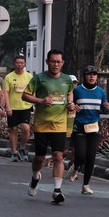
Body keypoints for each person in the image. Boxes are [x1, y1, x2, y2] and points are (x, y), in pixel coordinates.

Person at [23, 49, 74, 204]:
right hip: (42, 125)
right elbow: (25, 95)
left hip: (60, 124)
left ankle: (57, 190)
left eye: (58, 62)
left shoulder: (67, 80)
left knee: (58, 156)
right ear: (47, 62)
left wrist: (70, 104)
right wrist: (41, 101)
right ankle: (35, 177)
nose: (55, 64)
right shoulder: (39, 78)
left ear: (62, 63)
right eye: (53, 61)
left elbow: (69, 94)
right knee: (39, 157)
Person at [68, 65, 109, 195]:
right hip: (80, 125)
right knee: (81, 154)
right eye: (89, 74)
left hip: (94, 127)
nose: (92, 77)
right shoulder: (77, 90)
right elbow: (69, 104)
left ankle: (85, 185)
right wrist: (72, 105)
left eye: (94, 74)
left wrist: (107, 107)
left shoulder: (101, 92)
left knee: (91, 156)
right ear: (84, 76)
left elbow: (104, 109)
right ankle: (75, 168)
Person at [4, 55, 33, 162]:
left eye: (21, 63)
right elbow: (6, 93)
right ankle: (14, 152)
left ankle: (23, 148)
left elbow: (33, 91)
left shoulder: (29, 77)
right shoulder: (9, 77)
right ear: (14, 64)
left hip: (25, 106)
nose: (19, 65)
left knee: (26, 128)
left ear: (24, 64)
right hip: (13, 107)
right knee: (13, 129)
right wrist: (7, 106)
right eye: (17, 63)